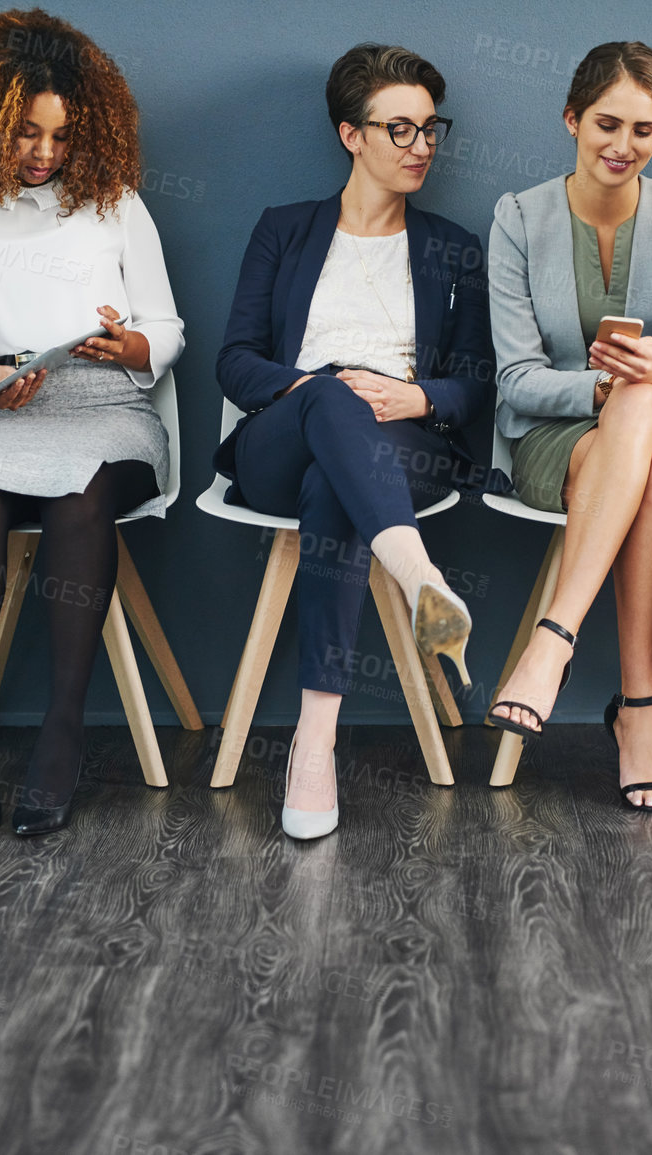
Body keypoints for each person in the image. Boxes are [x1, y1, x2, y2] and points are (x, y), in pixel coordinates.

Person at [0, 9, 182, 837]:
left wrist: (123, 340)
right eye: (26, 133)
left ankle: (63, 728)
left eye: (61, 138)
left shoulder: (116, 204)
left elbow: (167, 330)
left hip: (105, 408)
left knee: (80, 497)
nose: (44, 154)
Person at [216, 43, 492, 840]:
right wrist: (313, 391)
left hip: (401, 444)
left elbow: (476, 385)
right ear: (350, 135)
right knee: (333, 401)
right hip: (283, 435)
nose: (420, 147)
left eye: (429, 129)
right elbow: (234, 361)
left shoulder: (452, 245)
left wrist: (416, 396)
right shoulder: (284, 230)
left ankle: (314, 740)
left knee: (335, 487)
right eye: (398, 129)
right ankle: (417, 575)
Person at [485, 42, 652, 812]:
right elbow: (517, 379)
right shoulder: (518, 219)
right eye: (605, 124)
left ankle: (553, 638)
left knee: (650, 414)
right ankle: (641, 714)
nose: (623, 146)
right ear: (570, 119)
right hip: (557, 439)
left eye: (644, 130)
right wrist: (605, 388)